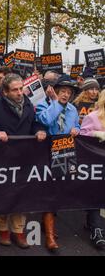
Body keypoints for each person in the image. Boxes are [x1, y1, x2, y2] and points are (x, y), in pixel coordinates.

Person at [0, 73, 47, 249]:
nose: (20, 93)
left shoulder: (28, 104)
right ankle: (2, 229)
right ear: (5, 92)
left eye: (21, 89)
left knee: (22, 194)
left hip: (24, 157)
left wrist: (39, 130)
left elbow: (34, 123)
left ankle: (18, 231)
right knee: (3, 194)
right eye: (15, 90)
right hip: (2, 158)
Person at [35, 75, 80, 252]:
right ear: (55, 91)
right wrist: (56, 103)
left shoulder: (73, 110)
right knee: (49, 191)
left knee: (59, 190)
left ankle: (47, 221)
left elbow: (76, 125)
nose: (66, 95)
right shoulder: (43, 105)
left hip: (64, 152)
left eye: (69, 92)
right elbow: (45, 121)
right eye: (63, 91)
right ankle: (50, 235)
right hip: (45, 153)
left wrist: (78, 129)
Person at [80, 89, 105, 250]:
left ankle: (91, 222)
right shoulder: (93, 116)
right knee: (96, 193)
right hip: (96, 163)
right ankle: (97, 229)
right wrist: (97, 133)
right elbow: (82, 136)